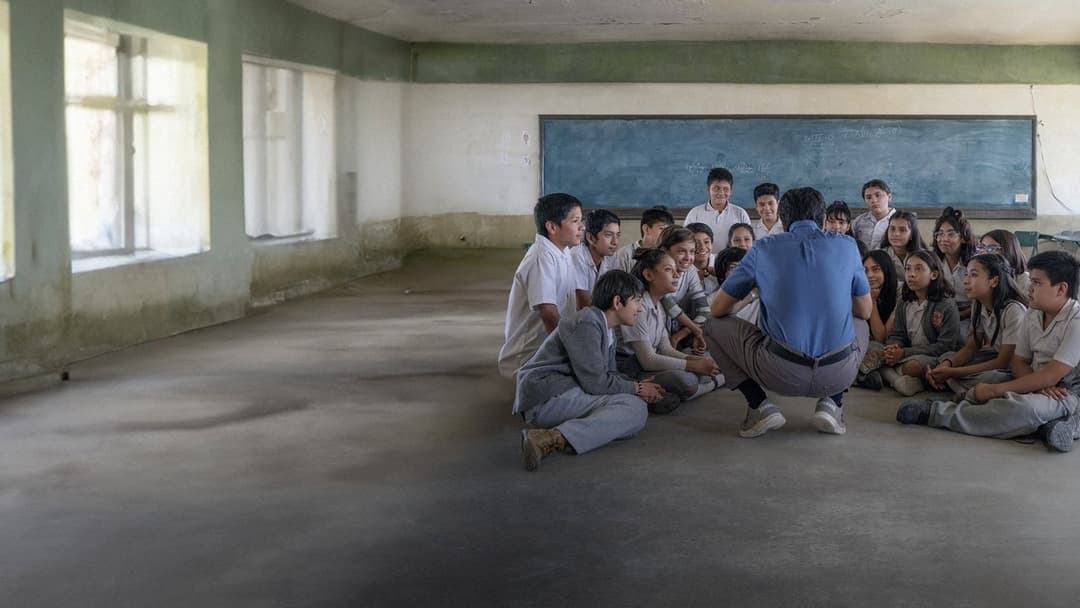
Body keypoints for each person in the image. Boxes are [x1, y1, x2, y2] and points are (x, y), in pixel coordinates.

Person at [704, 187, 871, 437]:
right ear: (823, 219)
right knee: (861, 322)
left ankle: (759, 405)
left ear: (782, 218)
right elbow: (865, 310)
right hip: (838, 372)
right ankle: (832, 402)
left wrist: (754, 293)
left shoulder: (763, 248)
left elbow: (718, 309)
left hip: (778, 372)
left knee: (711, 325)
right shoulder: (848, 247)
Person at [897, 251, 1080, 453]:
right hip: (1037, 382)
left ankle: (937, 413)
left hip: (1065, 392)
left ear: (1061, 288)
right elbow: (1018, 362)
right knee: (989, 379)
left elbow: (1051, 375)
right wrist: (1037, 386)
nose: (1029, 288)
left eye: (1036, 283)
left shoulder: (1075, 321)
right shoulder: (1035, 313)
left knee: (1024, 408)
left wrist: (996, 391)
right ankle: (1045, 425)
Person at [514, 270, 664, 471]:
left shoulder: (604, 327)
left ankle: (557, 434)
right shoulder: (586, 322)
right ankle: (549, 438)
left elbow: (608, 375)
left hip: (566, 391)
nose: (641, 308)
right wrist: (635, 388)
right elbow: (597, 383)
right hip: (545, 398)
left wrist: (636, 387)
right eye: (637, 301)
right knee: (633, 409)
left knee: (634, 410)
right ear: (618, 302)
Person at [617, 249, 723, 414]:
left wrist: (696, 360)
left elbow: (666, 349)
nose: (677, 275)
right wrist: (693, 365)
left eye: (675, 270)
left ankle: (665, 394)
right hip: (630, 369)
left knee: (709, 359)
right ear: (649, 275)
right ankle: (713, 383)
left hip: (650, 363)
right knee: (686, 380)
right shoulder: (638, 306)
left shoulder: (659, 305)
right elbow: (648, 360)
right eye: (668, 270)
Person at [498, 193, 583, 379]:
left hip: (549, 345)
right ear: (552, 227)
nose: (582, 227)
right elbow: (549, 313)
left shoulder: (563, 251)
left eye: (581, 220)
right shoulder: (541, 257)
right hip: (528, 357)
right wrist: (574, 353)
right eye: (575, 221)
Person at [924, 253, 1028, 400]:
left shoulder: (1013, 310)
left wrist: (953, 373)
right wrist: (947, 365)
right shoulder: (978, 304)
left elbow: (1003, 362)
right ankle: (967, 391)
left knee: (995, 378)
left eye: (973, 275)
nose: (965, 281)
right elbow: (971, 348)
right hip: (994, 356)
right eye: (966, 274)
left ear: (994, 281)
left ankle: (961, 388)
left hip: (1012, 367)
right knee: (945, 357)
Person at [880, 250, 961, 396]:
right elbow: (897, 333)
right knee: (875, 351)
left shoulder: (946, 305)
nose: (911, 274)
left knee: (913, 367)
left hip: (932, 356)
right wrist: (894, 346)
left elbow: (945, 346)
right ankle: (899, 379)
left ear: (934, 274)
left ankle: (889, 375)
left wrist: (904, 352)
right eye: (908, 269)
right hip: (907, 353)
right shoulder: (904, 302)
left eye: (919, 269)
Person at [658, 226, 709, 352]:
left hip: (669, 334)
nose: (688, 258)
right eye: (681, 251)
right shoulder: (657, 269)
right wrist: (696, 330)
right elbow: (669, 305)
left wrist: (681, 335)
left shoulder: (690, 271)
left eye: (692, 251)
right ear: (665, 251)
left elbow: (705, 310)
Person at [855, 249, 900, 390]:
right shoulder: (858, 290)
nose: (870, 276)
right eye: (865, 271)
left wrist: (872, 300)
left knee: (880, 349)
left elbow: (881, 337)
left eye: (876, 270)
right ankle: (864, 376)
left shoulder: (900, 292)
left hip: (888, 345)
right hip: (864, 344)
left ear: (887, 270)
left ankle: (861, 376)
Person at [932, 207, 977, 334]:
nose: (943, 239)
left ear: (962, 238)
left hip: (970, 313)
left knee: (959, 338)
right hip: (942, 311)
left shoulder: (973, 264)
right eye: (940, 234)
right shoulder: (934, 262)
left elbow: (980, 300)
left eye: (950, 234)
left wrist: (958, 316)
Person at [683, 167, 751, 243]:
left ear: (731, 191)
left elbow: (749, 241)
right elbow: (686, 241)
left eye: (725, 189)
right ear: (708, 189)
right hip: (702, 254)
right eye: (716, 188)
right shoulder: (695, 213)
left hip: (733, 255)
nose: (721, 193)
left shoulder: (740, 213)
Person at [572, 209, 620, 309]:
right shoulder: (577, 256)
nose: (615, 242)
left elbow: (615, 293)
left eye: (617, 235)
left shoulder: (611, 256)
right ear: (591, 238)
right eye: (609, 235)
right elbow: (583, 303)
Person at [614, 205, 673, 272]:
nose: (666, 234)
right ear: (646, 229)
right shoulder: (625, 254)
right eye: (661, 228)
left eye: (668, 230)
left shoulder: (668, 254)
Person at [710, 246, 760, 324]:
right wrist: (752, 295)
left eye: (743, 267)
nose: (739, 272)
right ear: (722, 272)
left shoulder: (758, 299)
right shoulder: (712, 300)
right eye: (733, 267)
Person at [852, 179, 897, 250]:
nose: (873, 200)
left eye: (878, 195)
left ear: (889, 197)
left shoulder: (900, 219)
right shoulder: (859, 221)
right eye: (868, 197)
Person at [881, 210, 924, 284]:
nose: (896, 234)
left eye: (902, 230)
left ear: (911, 235)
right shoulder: (881, 255)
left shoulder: (924, 257)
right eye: (892, 229)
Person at [686, 223, 719, 299]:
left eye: (706, 242)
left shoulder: (722, 261)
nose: (702, 247)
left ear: (712, 243)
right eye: (696, 243)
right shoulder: (681, 267)